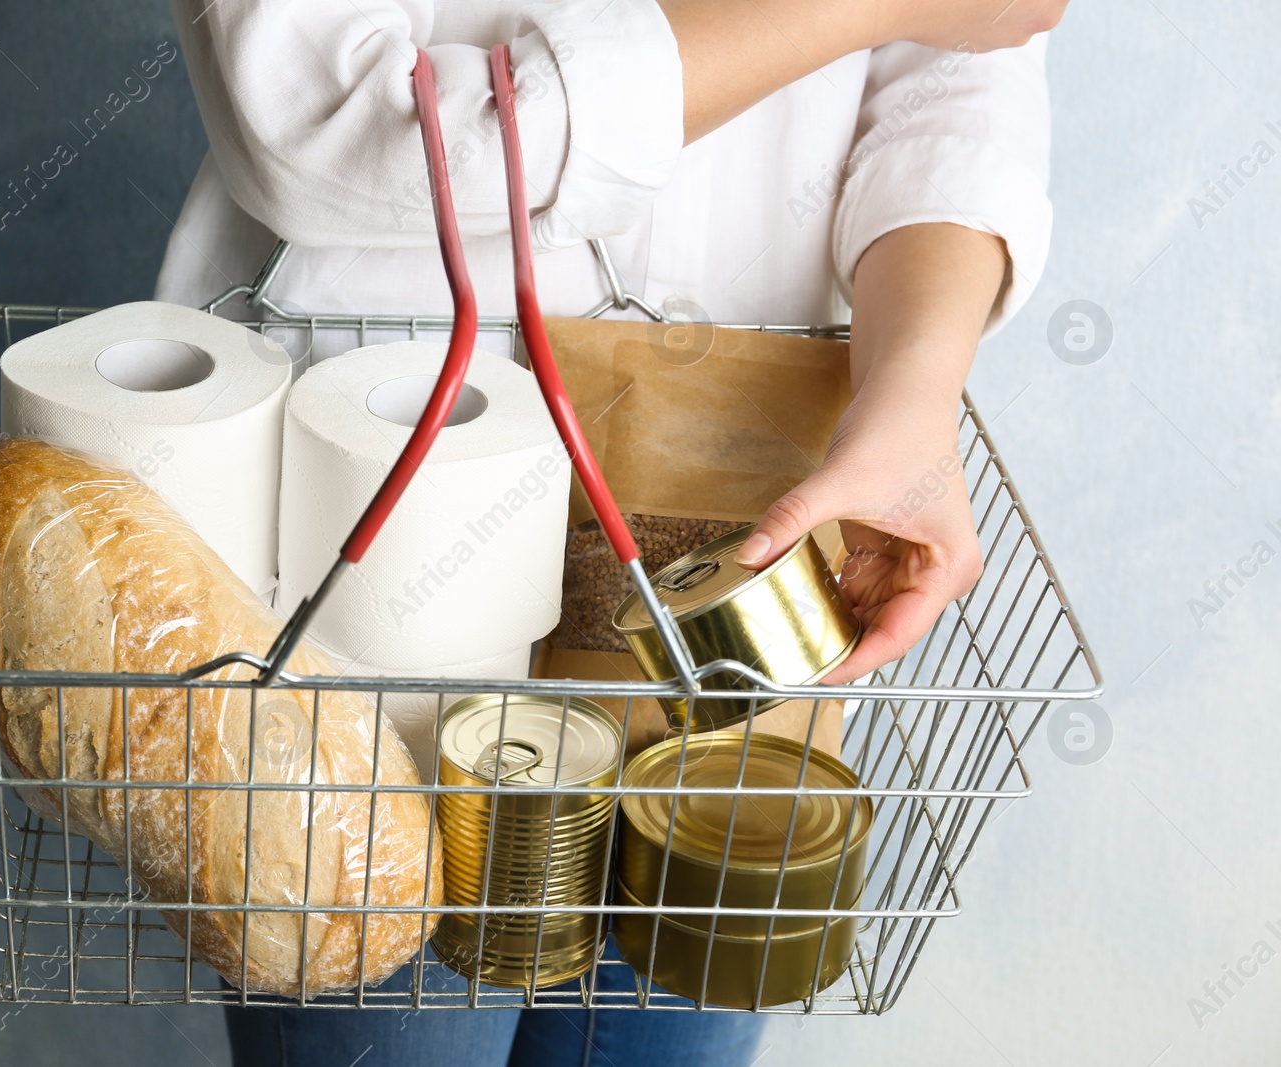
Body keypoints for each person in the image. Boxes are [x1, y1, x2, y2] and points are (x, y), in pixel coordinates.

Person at [153, 1, 1066, 1063]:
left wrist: (911, 393)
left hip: (748, 492)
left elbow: (957, 74)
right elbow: (319, 126)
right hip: (378, 543)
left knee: (672, 1010)